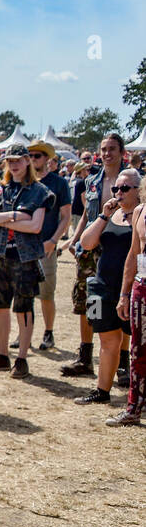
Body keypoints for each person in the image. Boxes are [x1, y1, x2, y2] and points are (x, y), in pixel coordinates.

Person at [0, 144, 51, 380]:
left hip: (24, 256)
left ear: (28, 161)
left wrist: (1, 221)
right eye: (10, 160)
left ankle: (22, 358)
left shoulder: (39, 191)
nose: (14, 164)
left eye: (18, 159)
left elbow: (35, 226)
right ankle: (2, 355)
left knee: (24, 308)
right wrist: (13, 217)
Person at [62, 134, 127, 378]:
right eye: (103, 149)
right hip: (92, 247)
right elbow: (89, 216)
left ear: (122, 152)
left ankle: (122, 361)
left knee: (121, 301)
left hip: (120, 247)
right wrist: (76, 240)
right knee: (89, 300)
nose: (107, 153)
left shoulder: (132, 181)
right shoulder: (91, 181)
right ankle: (86, 356)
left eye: (112, 149)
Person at [73, 169, 139, 407]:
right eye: (116, 189)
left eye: (125, 189)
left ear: (138, 191)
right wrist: (103, 215)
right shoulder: (110, 215)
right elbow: (86, 243)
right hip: (101, 286)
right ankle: (102, 390)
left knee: (136, 342)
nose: (118, 193)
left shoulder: (142, 216)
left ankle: (137, 392)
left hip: (130, 288)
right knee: (106, 340)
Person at [106, 175, 146, 425]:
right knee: (138, 350)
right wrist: (124, 294)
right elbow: (133, 255)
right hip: (142, 287)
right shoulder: (140, 211)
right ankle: (134, 408)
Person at [26, 141, 72, 352]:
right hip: (24, 246)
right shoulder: (24, 182)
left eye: (37, 156)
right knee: (23, 294)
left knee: (46, 294)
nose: (33, 159)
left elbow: (66, 217)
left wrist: (53, 241)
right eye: (31, 156)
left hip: (46, 246)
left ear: (47, 159)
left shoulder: (59, 183)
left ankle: (48, 332)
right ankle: (23, 332)